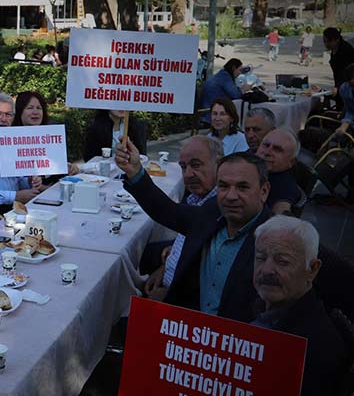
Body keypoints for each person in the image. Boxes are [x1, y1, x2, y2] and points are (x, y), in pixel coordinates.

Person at [111, 216, 352, 396]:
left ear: (312, 270)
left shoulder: (318, 344)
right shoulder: (263, 304)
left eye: (282, 261)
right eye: (261, 258)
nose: (267, 269)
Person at [115, 143, 271, 322]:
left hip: (236, 341)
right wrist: (135, 171)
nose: (231, 196)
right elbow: (168, 212)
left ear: (264, 191)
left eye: (242, 187)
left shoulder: (274, 241)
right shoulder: (212, 211)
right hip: (186, 329)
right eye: (223, 186)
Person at [143, 136, 222, 300]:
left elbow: (166, 210)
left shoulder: (221, 207)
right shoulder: (197, 198)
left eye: (196, 165)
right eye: (183, 167)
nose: (188, 174)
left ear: (219, 164)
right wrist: (166, 266)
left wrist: (169, 295)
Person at [12, 90, 79, 182]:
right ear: (20, 111)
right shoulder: (10, 140)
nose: (35, 112)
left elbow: (55, 168)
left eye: (39, 108)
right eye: (30, 108)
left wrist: (69, 167)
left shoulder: (51, 137)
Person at [256, 128, 301, 215]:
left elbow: (279, 219)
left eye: (277, 149)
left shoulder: (285, 187)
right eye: (266, 145)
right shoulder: (253, 165)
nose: (267, 152)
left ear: (291, 162)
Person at [83, 109, 147, 162]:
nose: (121, 107)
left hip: (129, 172)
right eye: (117, 103)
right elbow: (89, 159)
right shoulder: (96, 127)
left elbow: (141, 155)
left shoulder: (135, 125)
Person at [199, 58, 247, 124]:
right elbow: (237, 95)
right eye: (239, 70)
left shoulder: (221, 74)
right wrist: (243, 89)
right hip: (210, 114)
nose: (240, 73)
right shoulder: (225, 77)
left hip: (208, 111)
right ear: (233, 68)